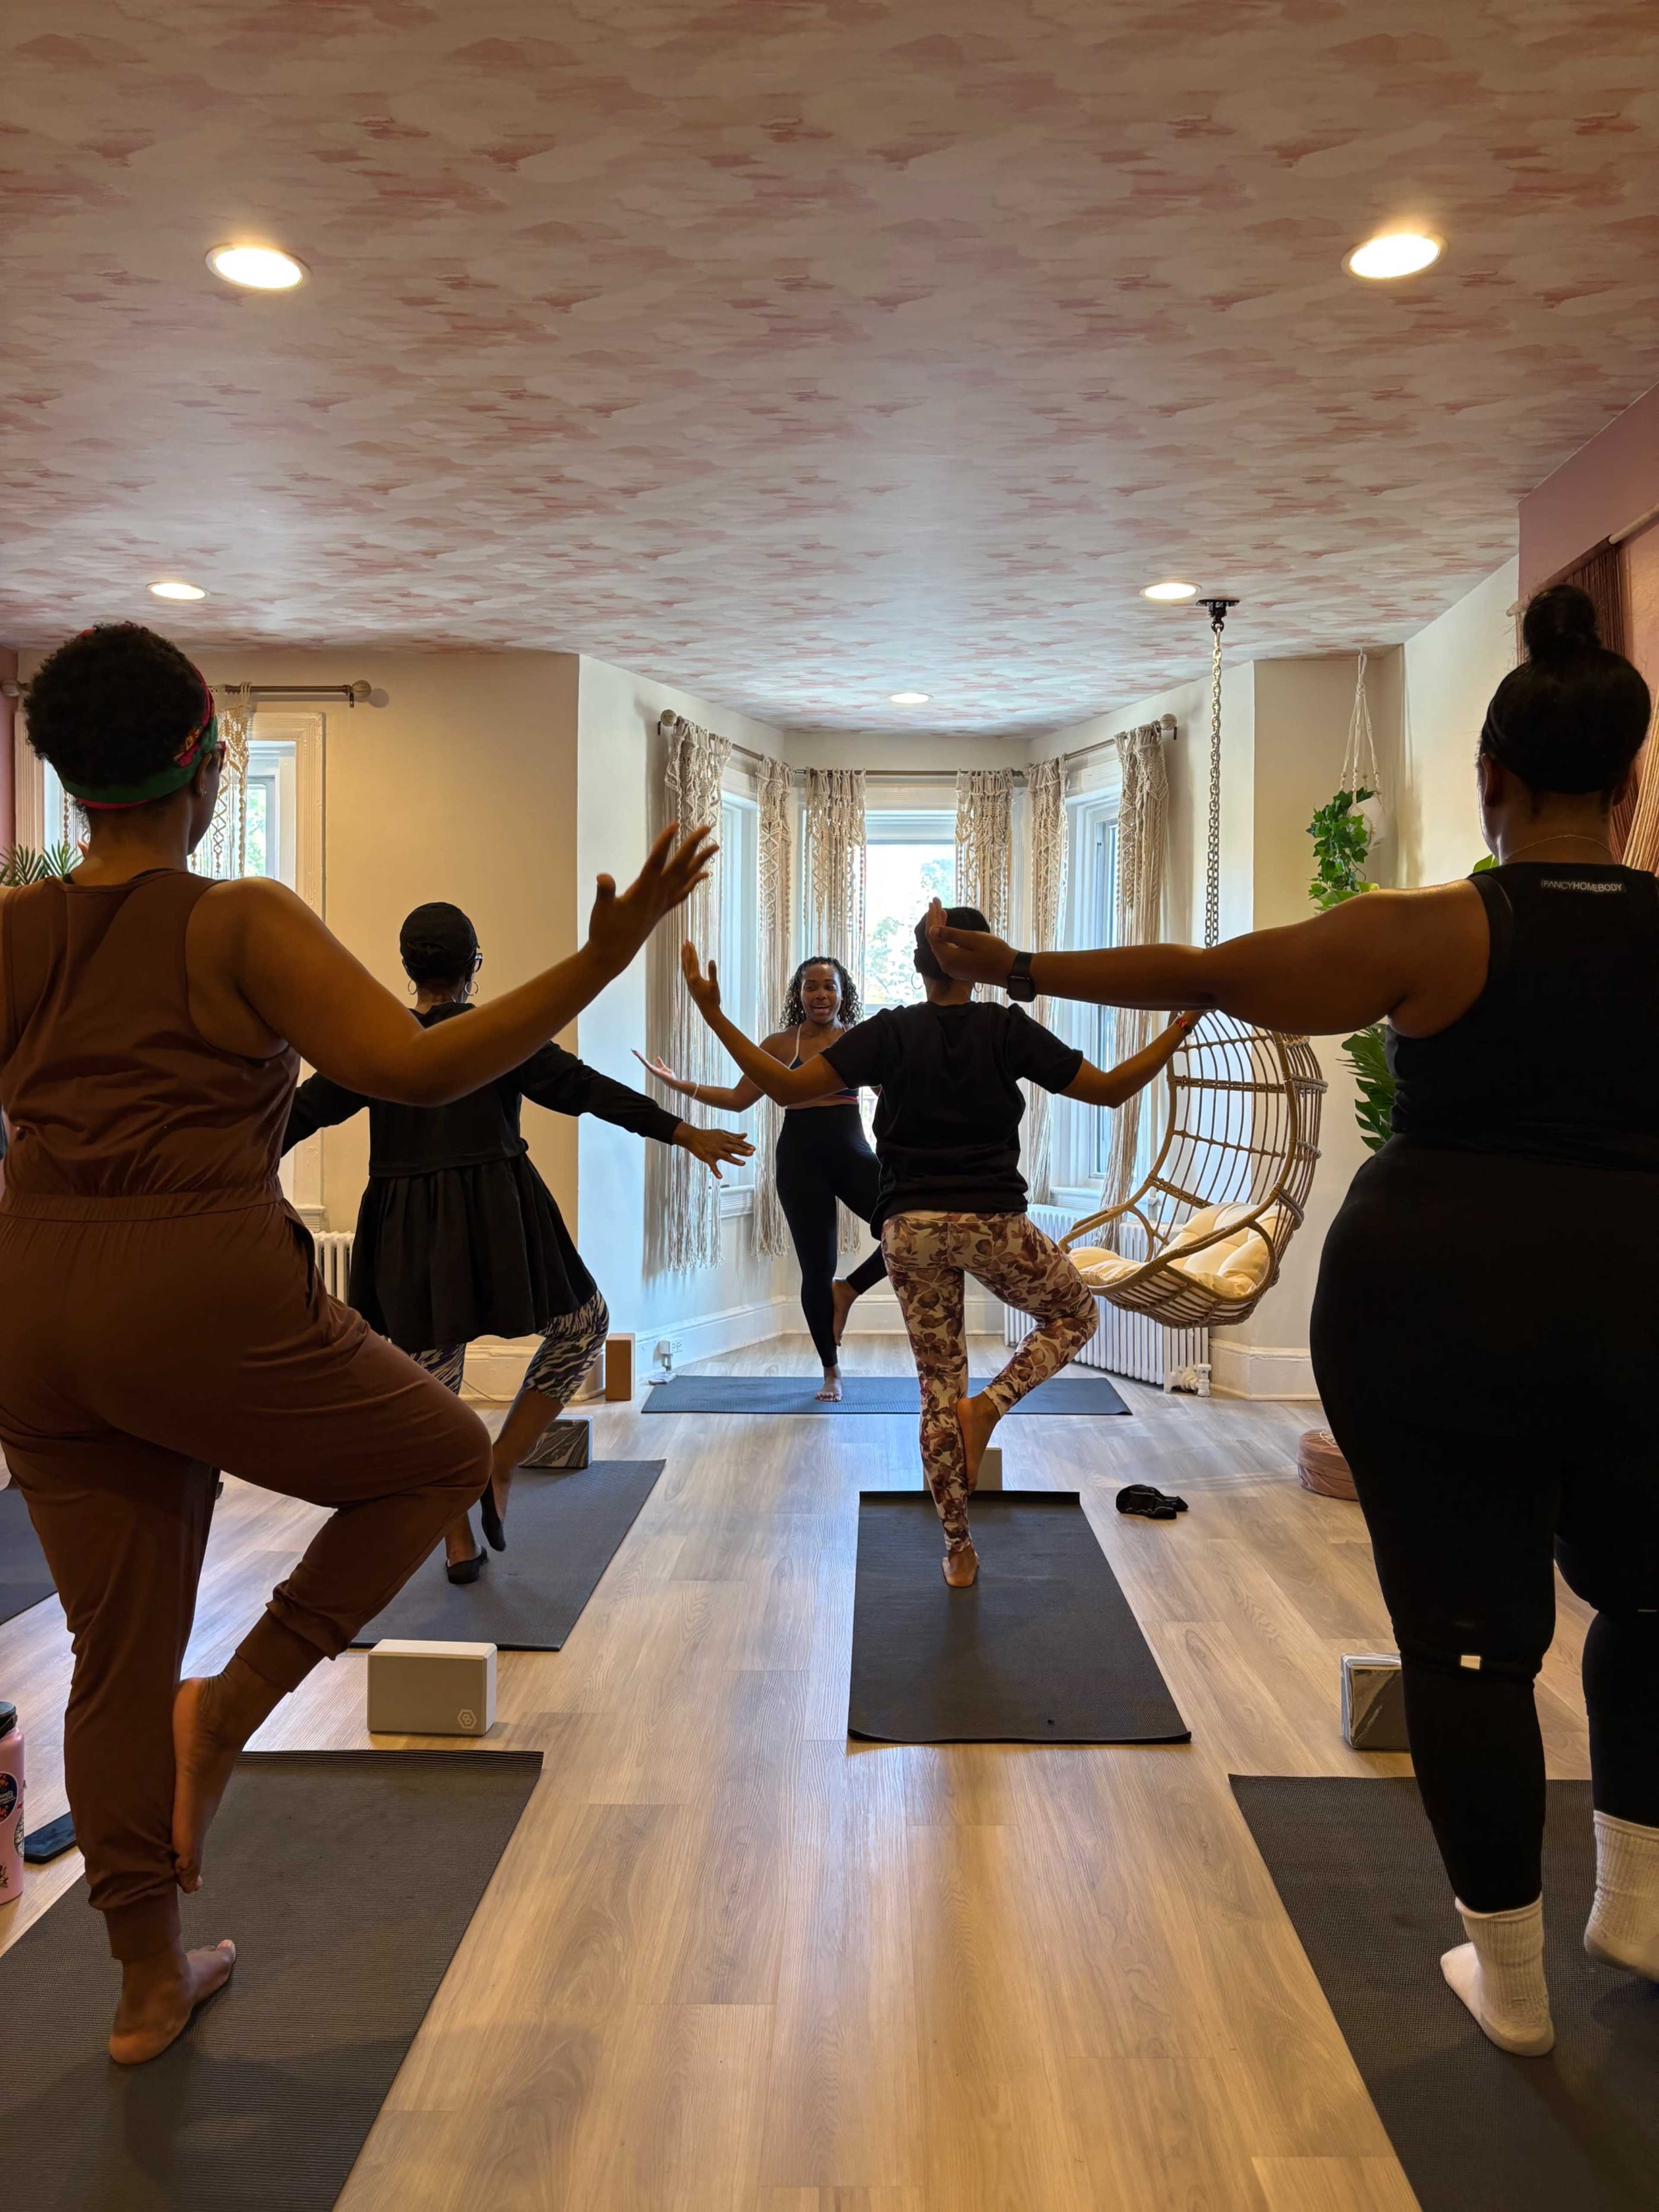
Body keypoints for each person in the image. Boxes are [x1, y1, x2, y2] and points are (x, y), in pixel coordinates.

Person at [924, 584, 1659, 2056]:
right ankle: (1635, 1900)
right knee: (1650, 1601)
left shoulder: (1434, 931)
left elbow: (1207, 977)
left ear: (1492, 783)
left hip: (1445, 1305)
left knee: (1470, 1644)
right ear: (1633, 787)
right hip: (1646, 1304)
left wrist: (1013, 968)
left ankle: (1509, 1981)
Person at [0, 621, 714, 2065]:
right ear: (203, 758)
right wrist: (603, 953)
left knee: (109, 1649)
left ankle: (148, 1981)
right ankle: (240, 1699)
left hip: (32, 1299)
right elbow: (419, 1061)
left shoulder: (10, 930)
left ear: (61, 770)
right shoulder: (238, 917)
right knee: (441, 1451)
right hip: (199, 1279)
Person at [680, 909, 1196, 1582]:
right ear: (981, 961)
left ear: (921, 964)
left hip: (911, 1228)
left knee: (935, 1387)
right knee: (1076, 1314)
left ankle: (958, 1550)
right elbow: (1110, 1090)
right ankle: (990, 1406)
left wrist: (715, 1016)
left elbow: (785, 1085)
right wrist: (1176, 1030)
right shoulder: (1006, 1027)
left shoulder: (890, 1031)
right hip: (992, 1224)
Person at [284, 901, 751, 1577]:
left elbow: (299, 1114)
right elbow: (586, 1089)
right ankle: (500, 1466)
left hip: (410, 1225)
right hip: (499, 1213)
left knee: (431, 1387)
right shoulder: (494, 1034)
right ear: (476, 966)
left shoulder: (376, 1040)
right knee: (584, 1326)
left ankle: (459, 1534)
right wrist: (683, 1131)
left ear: (408, 968)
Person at [636, 955, 886, 1399]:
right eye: (811, 986)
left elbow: (893, 1096)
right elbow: (738, 1098)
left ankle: (848, 1290)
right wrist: (679, 1085)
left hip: (853, 1155)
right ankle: (831, 1371)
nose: (821, 995)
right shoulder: (778, 1045)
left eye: (829, 986)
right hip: (799, 1162)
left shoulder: (860, 1041)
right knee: (816, 1268)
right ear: (799, 995)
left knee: (908, 1226)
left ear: (843, 992)